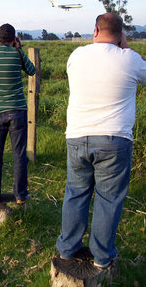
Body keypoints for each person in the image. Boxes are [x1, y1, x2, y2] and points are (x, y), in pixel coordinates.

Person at [56, 13, 146, 269]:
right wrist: (126, 48)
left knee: (76, 192)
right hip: (114, 138)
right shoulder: (129, 59)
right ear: (121, 34)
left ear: (95, 30)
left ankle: (67, 248)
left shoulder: (76, 56)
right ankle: (102, 256)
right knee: (108, 199)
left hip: (77, 136)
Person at [0, 23, 36, 205]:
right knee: (19, 155)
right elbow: (32, 71)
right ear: (14, 39)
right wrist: (19, 49)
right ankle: (20, 194)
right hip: (17, 111)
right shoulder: (17, 55)